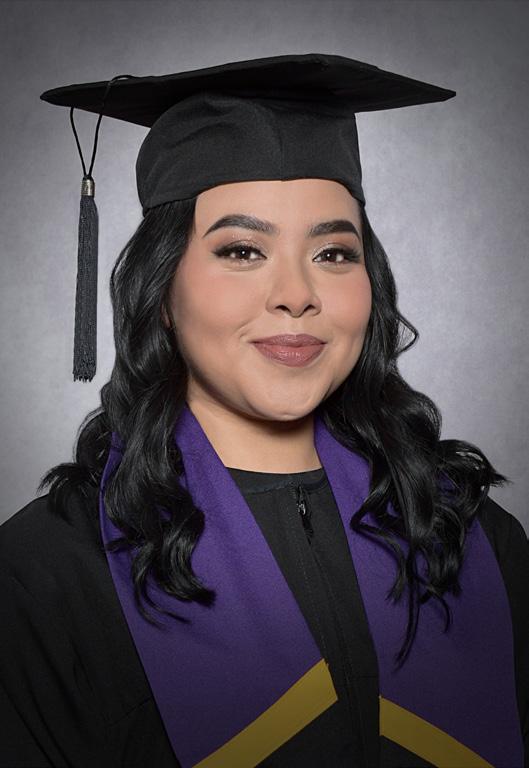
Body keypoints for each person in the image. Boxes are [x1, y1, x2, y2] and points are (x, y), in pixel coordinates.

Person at [0, 53, 527, 768]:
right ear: (162, 291)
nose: (296, 295)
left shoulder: (469, 536)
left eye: (333, 254)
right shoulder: (47, 576)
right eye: (243, 250)